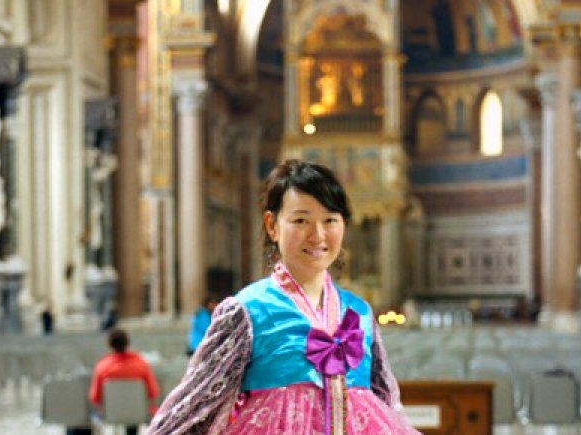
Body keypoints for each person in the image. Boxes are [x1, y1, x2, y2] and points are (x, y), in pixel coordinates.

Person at [146, 159, 420, 434]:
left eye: (330, 220)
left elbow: (386, 403)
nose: (318, 235)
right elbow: (193, 409)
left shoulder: (358, 313)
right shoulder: (247, 311)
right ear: (272, 225)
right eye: (301, 220)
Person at [88, 328, 160, 435]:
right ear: (127, 343)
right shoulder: (141, 364)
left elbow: (94, 397)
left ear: (109, 345)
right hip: (138, 414)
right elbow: (154, 392)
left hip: (111, 414)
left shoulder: (102, 367)